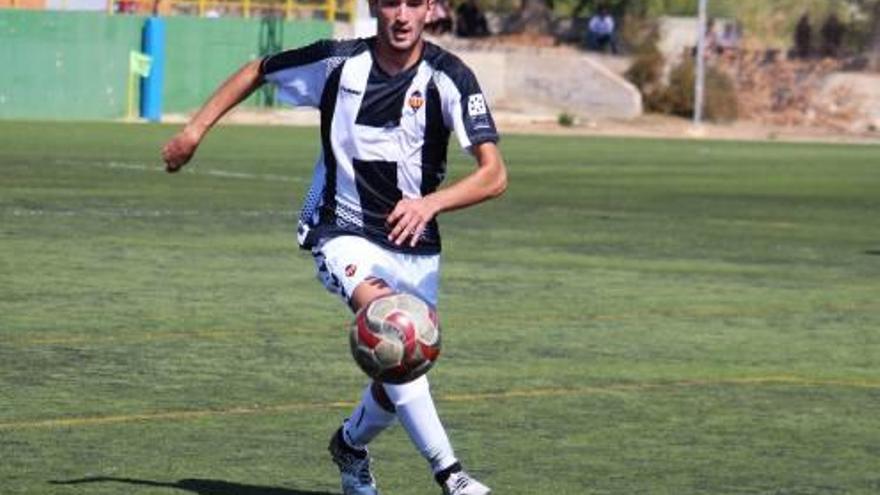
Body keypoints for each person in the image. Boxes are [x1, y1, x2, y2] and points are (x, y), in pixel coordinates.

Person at [160, 0, 508, 492]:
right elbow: (257, 70)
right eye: (391, 2)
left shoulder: (450, 76)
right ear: (373, 7)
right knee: (396, 328)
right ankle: (452, 476)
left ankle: (349, 444)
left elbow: (494, 175)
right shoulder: (337, 62)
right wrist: (194, 131)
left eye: (414, 2)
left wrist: (430, 204)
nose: (402, 15)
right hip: (341, 232)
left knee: (398, 370)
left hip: (416, 244)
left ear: (431, 8)